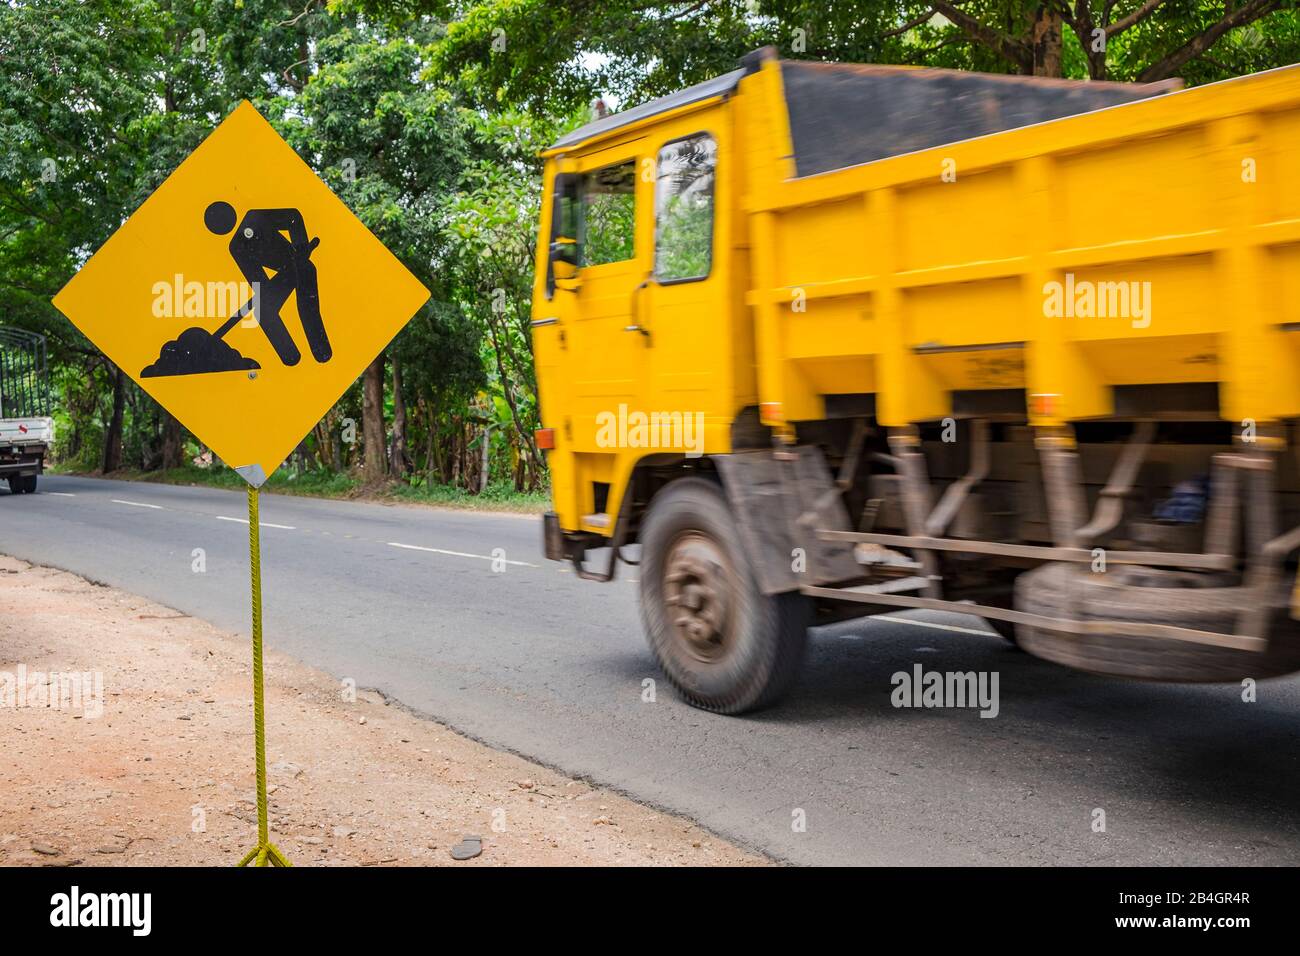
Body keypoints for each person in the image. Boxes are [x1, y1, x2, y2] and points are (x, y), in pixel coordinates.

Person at [203, 200, 332, 366]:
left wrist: (300, 245)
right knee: (263, 311)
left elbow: (293, 217)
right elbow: (259, 282)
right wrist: (266, 292)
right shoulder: (236, 247)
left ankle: (322, 353)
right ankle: (290, 357)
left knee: (307, 307)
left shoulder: (256, 217)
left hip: (302, 265)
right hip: (286, 273)